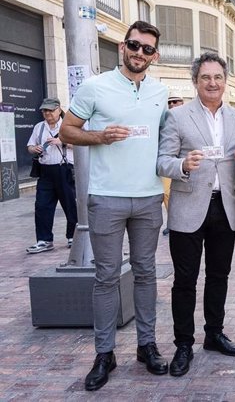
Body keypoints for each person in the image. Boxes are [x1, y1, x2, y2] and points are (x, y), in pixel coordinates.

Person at [59, 21, 169, 390]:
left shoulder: (160, 90)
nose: (140, 54)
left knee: (146, 272)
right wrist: (99, 136)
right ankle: (104, 353)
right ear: (123, 47)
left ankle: (146, 345)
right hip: (106, 198)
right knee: (105, 277)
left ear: (155, 56)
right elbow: (66, 131)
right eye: (134, 46)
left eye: (147, 49)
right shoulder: (95, 87)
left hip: (149, 197)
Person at [158, 52, 235, 376]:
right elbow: (162, 161)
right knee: (185, 280)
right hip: (187, 207)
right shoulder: (178, 117)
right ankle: (183, 344)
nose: (212, 83)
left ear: (225, 82)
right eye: (205, 78)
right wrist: (182, 165)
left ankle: (214, 334)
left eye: (218, 78)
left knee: (218, 276)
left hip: (225, 207)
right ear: (195, 81)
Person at [26, 98, 77, 254]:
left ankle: (73, 236)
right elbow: (29, 146)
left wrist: (61, 142)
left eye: (50, 110)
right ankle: (44, 240)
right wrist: (35, 149)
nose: (47, 114)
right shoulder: (39, 127)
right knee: (42, 206)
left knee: (70, 204)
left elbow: (79, 145)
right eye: (44, 111)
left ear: (58, 109)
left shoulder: (69, 126)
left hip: (65, 169)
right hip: (46, 171)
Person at [162, 95, 185, 236]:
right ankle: (172, 221)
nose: (172, 104)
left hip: (186, 166)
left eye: (175, 102)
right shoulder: (164, 118)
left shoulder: (188, 117)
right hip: (168, 163)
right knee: (167, 193)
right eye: (170, 102)